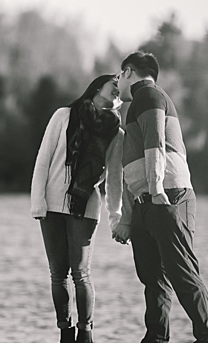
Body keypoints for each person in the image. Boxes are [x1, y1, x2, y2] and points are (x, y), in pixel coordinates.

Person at [111, 52, 208, 343]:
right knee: (153, 281)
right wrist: (128, 216)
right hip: (147, 202)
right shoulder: (135, 104)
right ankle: (156, 339)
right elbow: (128, 166)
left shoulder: (148, 95)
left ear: (130, 71)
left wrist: (157, 188)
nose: (117, 82)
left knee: (181, 272)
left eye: (120, 76)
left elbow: (156, 143)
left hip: (168, 196)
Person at [30, 74, 125, 343]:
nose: (118, 91)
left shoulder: (116, 133)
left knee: (80, 272)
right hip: (51, 204)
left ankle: (86, 333)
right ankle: (65, 332)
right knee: (58, 273)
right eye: (113, 86)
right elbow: (43, 160)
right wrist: (38, 202)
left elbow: (115, 179)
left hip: (85, 206)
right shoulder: (63, 116)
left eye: (120, 90)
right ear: (97, 88)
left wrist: (115, 217)